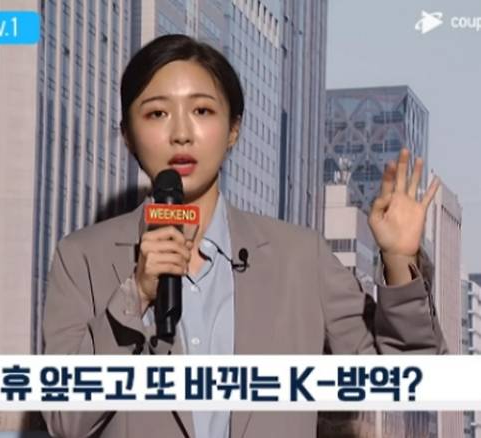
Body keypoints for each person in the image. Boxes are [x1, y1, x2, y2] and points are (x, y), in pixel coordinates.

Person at [41, 34, 446, 438]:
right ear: (128, 134)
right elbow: (64, 421)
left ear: (233, 129)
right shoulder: (83, 258)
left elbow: (411, 377)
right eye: (157, 113)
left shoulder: (299, 257)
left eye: (202, 110)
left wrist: (398, 259)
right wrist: (136, 295)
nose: (181, 133)